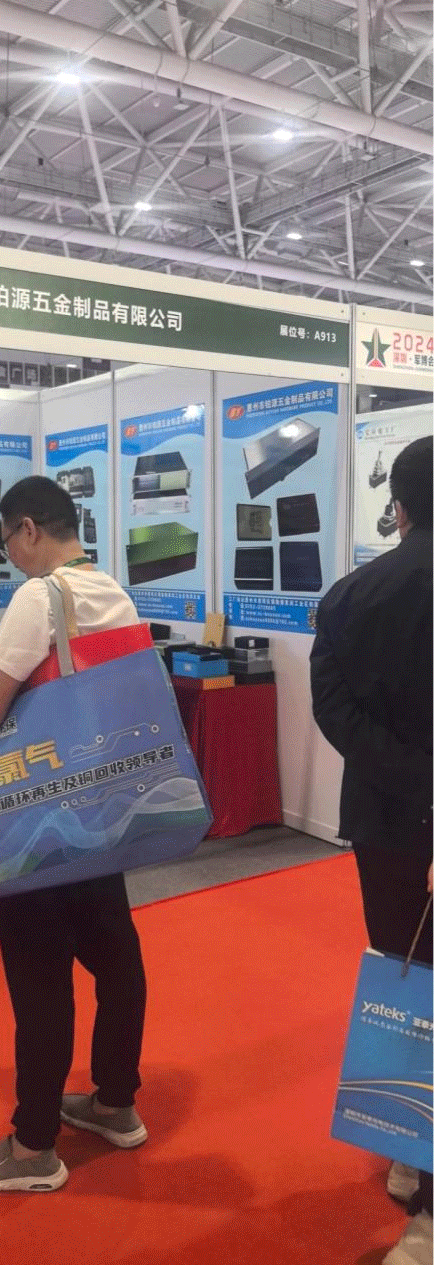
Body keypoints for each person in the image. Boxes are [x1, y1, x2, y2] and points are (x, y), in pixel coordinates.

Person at [0, 477, 147, 1193]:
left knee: (38, 978)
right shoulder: (109, 589)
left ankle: (32, 1148)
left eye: (7, 541)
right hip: (101, 808)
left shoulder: (39, 595)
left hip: (40, 819)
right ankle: (115, 1102)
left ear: (27, 527)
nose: (10, 555)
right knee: (116, 958)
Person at [311, 435, 432, 1265]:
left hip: (386, 821)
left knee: (406, 979)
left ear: (398, 504)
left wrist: (415, 780)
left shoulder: (350, 594)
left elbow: (334, 711)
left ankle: (409, 1147)